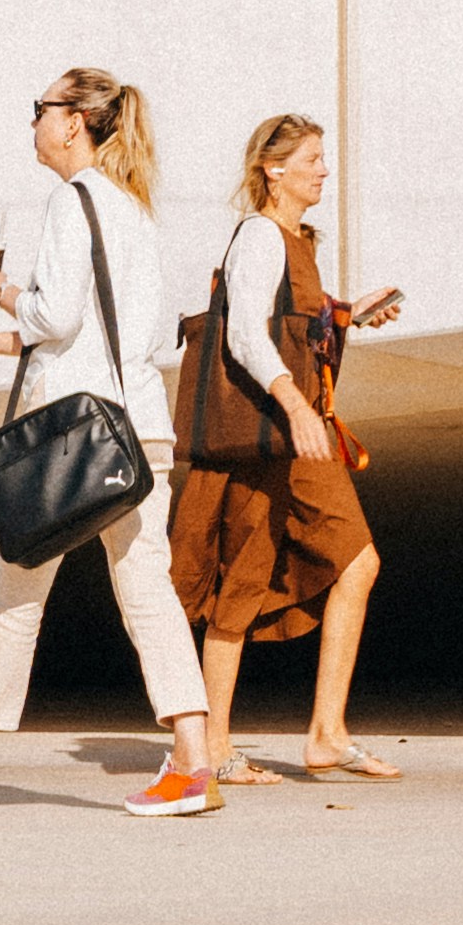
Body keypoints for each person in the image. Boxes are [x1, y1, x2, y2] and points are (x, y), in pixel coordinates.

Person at [0, 67, 221, 822]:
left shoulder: (71, 199)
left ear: (75, 121)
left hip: (73, 443)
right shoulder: (129, 209)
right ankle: (195, 762)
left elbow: (56, 317)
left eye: (42, 109)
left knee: (13, 596)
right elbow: (101, 330)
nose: (34, 121)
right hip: (137, 429)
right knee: (149, 594)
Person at [169, 110, 402, 784]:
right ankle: (316, 733)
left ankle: (258, 739)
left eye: (323, 159)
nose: (324, 169)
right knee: (349, 563)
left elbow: (294, 324)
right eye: (311, 159)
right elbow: (245, 330)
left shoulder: (297, 240)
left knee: (245, 580)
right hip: (281, 430)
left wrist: (351, 311)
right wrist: (297, 403)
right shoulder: (261, 236)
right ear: (274, 169)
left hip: (286, 435)